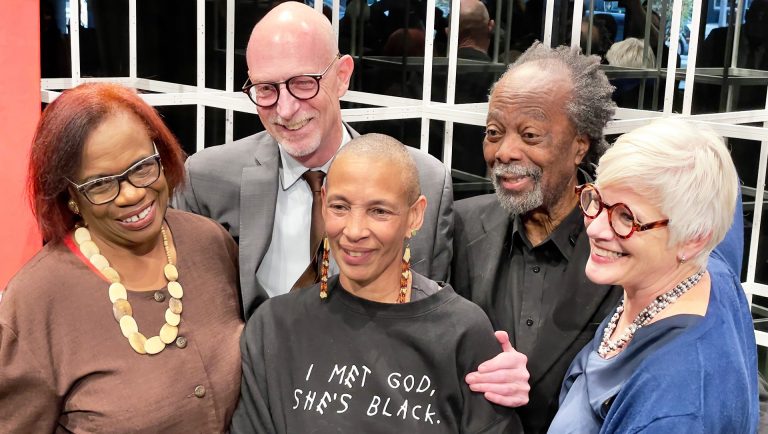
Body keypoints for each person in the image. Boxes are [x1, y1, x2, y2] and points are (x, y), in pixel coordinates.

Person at [173, 2, 453, 320]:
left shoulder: (423, 179)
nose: (286, 109)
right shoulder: (207, 179)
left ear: (342, 76)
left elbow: (432, 321)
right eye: (266, 89)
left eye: (304, 83)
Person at [230, 134, 523, 433]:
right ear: (322, 203)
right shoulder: (274, 327)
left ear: (416, 215)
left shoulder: (462, 331)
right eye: (340, 207)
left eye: (379, 211)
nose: (354, 230)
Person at [0, 83, 243, 431]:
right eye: (101, 184)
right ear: (70, 195)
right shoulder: (36, 302)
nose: (131, 194)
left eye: (142, 167)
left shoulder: (209, 243)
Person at [452, 43, 624, 433]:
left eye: (530, 135)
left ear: (580, 145)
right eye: (494, 132)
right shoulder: (458, 225)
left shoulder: (625, 240)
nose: (504, 151)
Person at [548, 118, 758, 432]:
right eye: (598, 200)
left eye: (626, 217)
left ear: (694, 239)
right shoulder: (705, 270)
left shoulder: (674, 407)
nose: (595, 227)